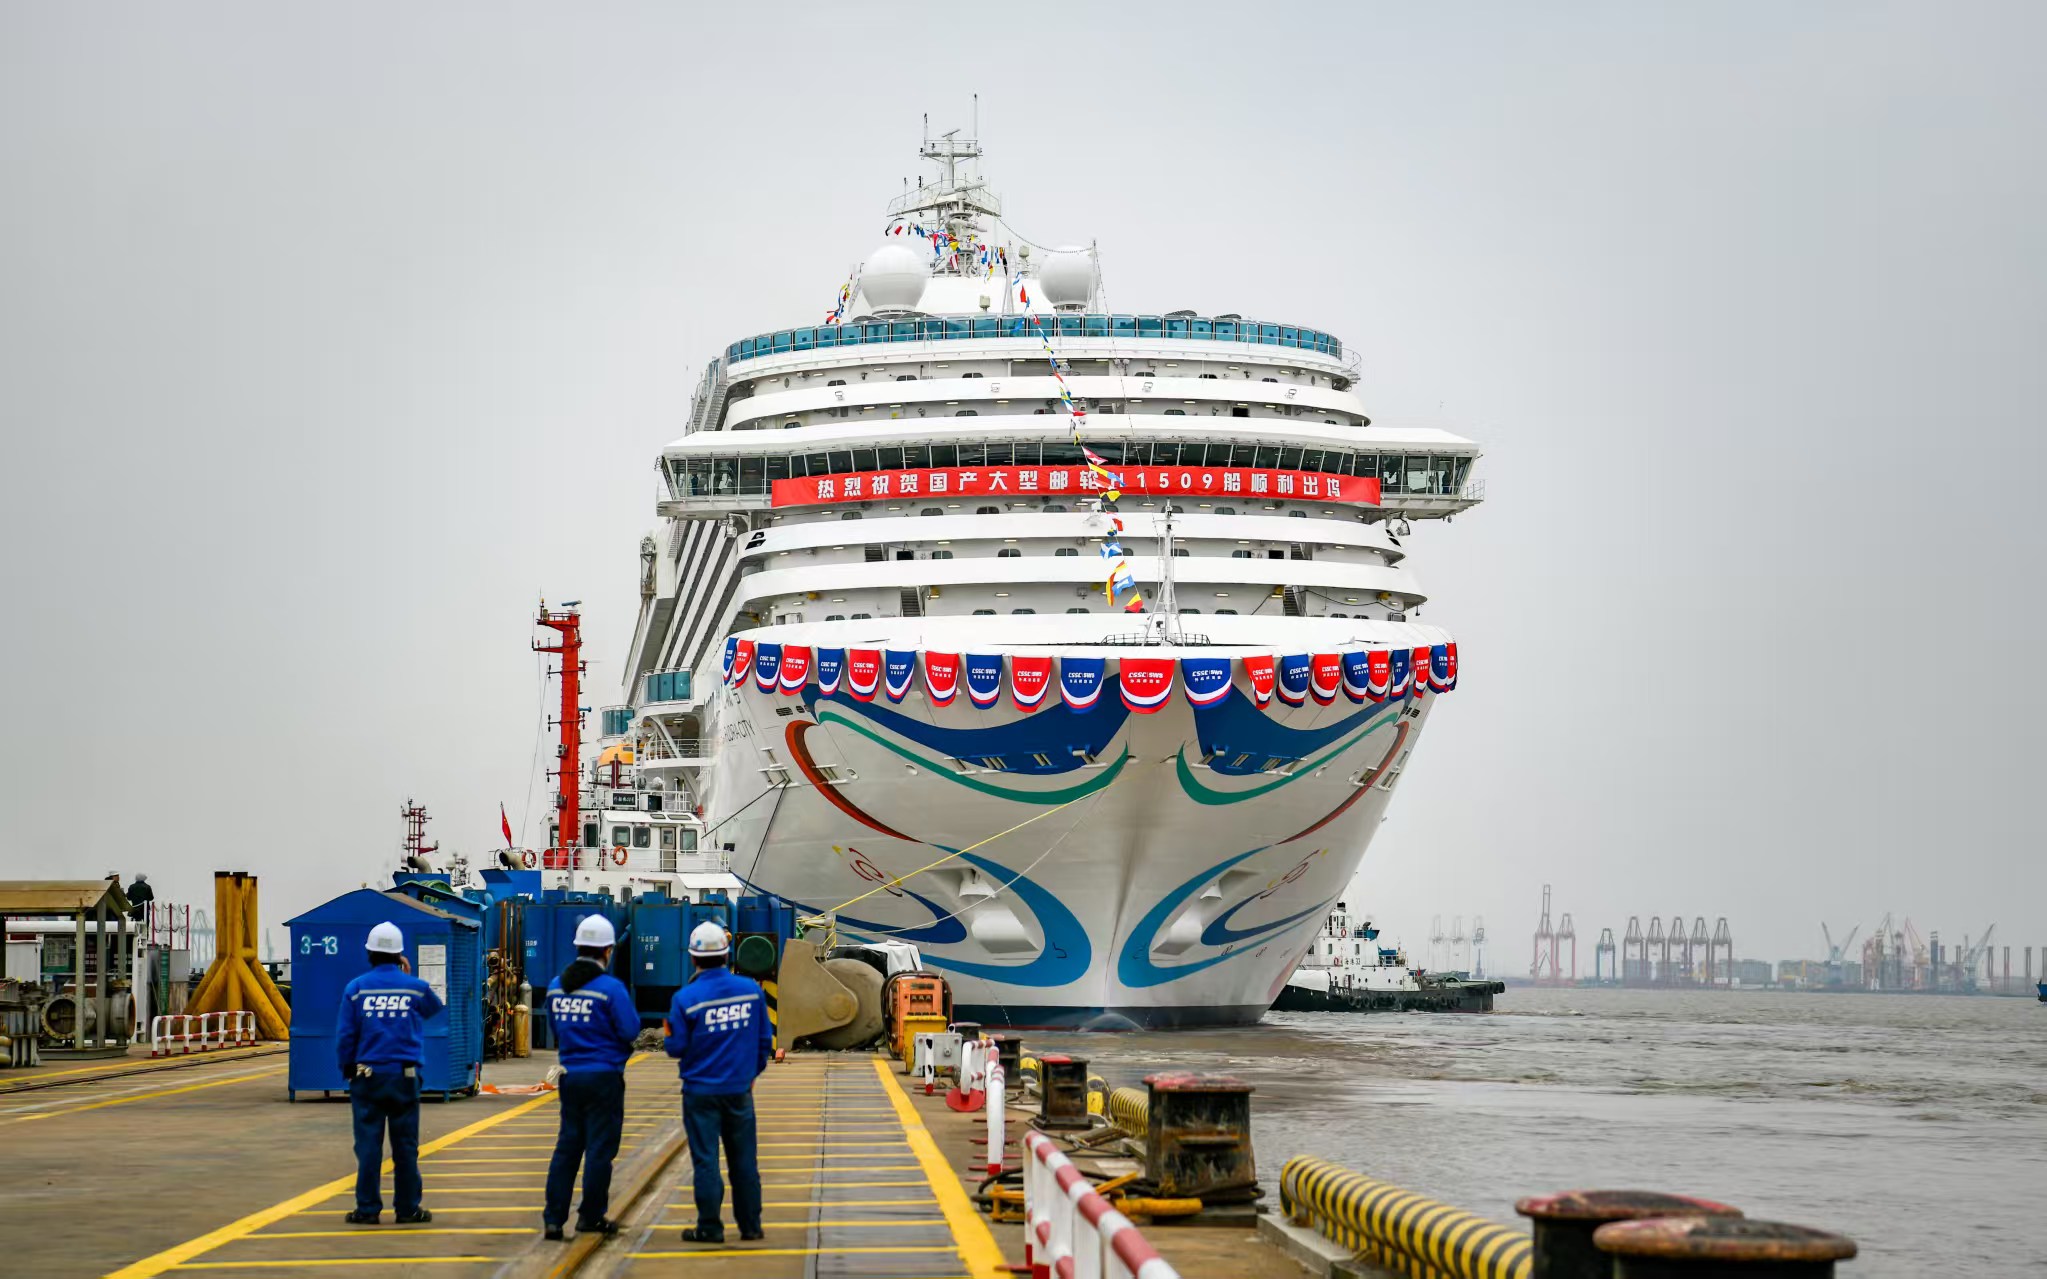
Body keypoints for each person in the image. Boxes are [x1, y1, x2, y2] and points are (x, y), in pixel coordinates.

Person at [663, 920, 772, 1244]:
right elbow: (764, 1041)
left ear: (693, 957)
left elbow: (675, 1047)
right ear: (727, 955)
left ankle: (710, 1227)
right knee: (744, 1161)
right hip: (739, 1091)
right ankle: (751, 1226)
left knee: (706, 1160)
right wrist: (749, 1075)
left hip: (700, 1093)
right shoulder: (751, 991)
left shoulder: (685, 998)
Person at [334, 920, 444, 1226]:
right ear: (399, 955)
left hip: (367, 1077)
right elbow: (434, 1008)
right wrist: (407, 976)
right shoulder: (415, 988)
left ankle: (367, 1209)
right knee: (405, 1146)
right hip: (404, 1077)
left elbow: (345, 1036)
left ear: (369, 953)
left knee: (368, 1146)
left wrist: (346, 1067)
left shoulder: (356, 989)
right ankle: (408, 1209)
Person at [541, 914, 639, 1241]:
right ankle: (591, 1217)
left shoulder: (556, 986)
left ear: (578, 947)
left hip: (570, 1077)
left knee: (567, 1148)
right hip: (604, 1078)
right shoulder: (610, 989)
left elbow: (556, 1029)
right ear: (608, 950)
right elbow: (630, 1030)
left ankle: (554, 1219)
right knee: (599, 1150)